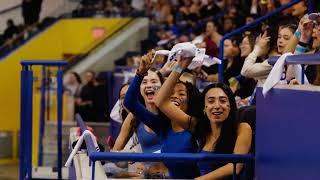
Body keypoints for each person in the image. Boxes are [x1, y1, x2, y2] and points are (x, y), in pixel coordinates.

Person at [124, 50, 202, 179]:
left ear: (190, 101)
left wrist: (179, 66)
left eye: (181, 94)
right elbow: (130, 102)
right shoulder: (163, 127)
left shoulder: (196, 125)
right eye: (170, 94)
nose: (175, 97)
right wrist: (140, 73)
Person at [195, 83, 252, 179]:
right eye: (211, 101)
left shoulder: (242, 128)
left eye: (222, 101)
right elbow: (163, 103)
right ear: (204, 107)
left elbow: (235, 167)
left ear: (230, 105)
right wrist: (177, 68)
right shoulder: (200, 128)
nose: (217, 106)